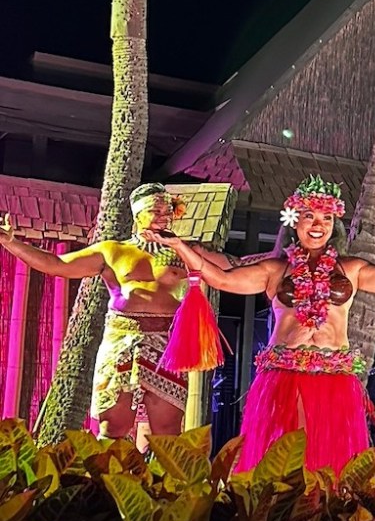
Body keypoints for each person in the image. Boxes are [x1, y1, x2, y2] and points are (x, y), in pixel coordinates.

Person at [149, 175, 375, 473]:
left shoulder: (351, 269)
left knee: (328, 465)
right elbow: (220, 279)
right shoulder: (275, 269)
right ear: (295, 221)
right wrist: (179, 246)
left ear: (334, 224)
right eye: (309, 216)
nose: (317, 224)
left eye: (325, 218)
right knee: (285, 458)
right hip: (284, 376)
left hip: (334, 379)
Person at [0, 182, 234, 450]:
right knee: (113, 427)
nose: (163, 216)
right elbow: (57, 265)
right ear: (137, 214)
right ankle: (103, 487)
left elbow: (233, 270)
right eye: (155, 211)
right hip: (122, 340)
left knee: (168, 431)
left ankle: (165, 490)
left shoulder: (185, 252)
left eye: (167, 210)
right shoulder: (112, 251)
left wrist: (278, 259)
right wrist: (12, 243)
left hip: (167, 343)